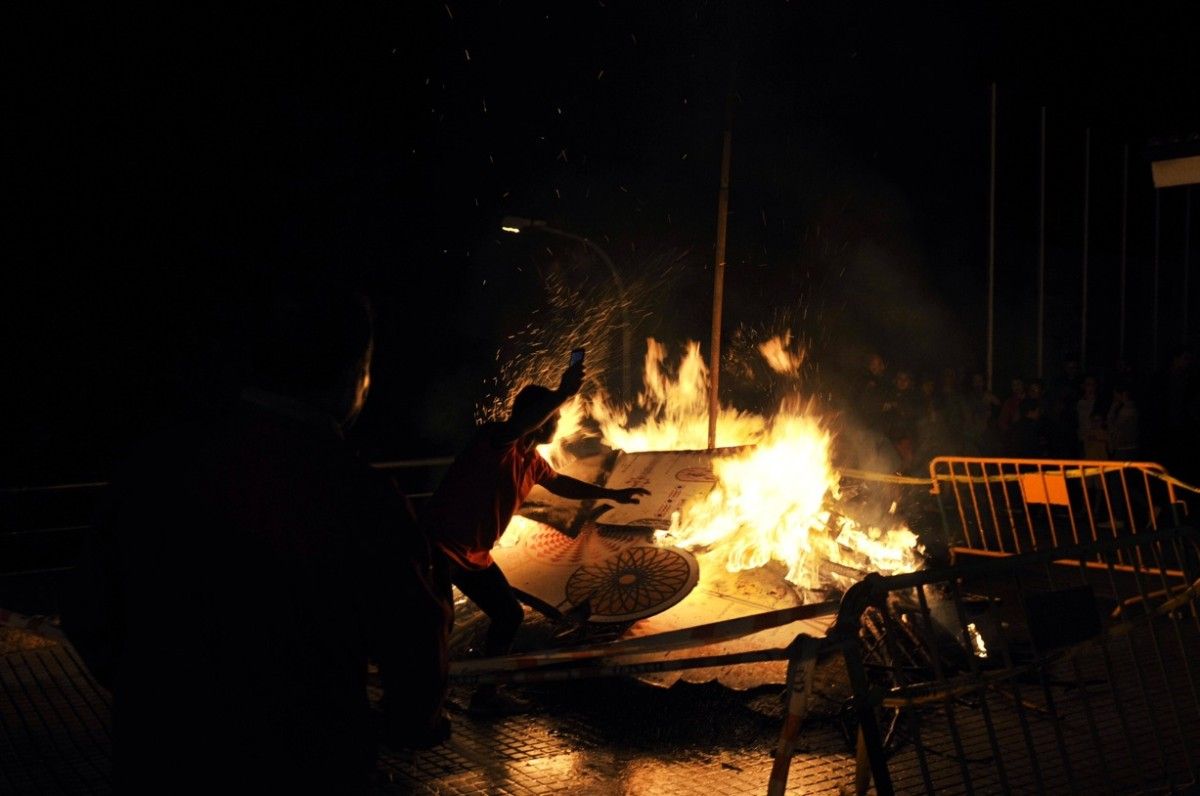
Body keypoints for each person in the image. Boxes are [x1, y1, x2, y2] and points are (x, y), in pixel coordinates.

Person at [62, 282, 451, 794]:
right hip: (305, 766)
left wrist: (156, 697)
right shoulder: (358, 494)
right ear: (356, 371)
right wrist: (410, 725)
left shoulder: (156, 463)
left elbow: (87, 611)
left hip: (160, 762)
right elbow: (413, 641)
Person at [424, 357, 650, 715]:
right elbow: (518, 425)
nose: (556, 424)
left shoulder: (532, 461)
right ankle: (417, 708)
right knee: (435, 625)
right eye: (552, 418)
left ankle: (486, 695)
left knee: (508, 615)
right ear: (536, 418)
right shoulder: (496, 441)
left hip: (474, 557)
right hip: (437, 548)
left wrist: (611, 494)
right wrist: (562, 392)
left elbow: (561, 484)